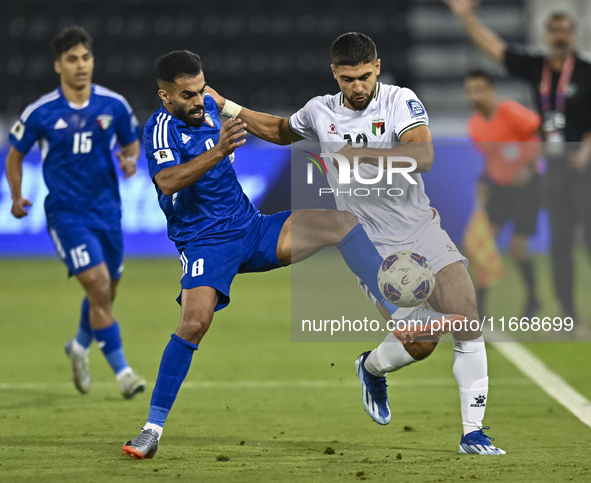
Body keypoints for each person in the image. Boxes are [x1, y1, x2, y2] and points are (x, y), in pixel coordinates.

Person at [121, 50, 461, 459]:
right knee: (194, 323)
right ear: (165, 97)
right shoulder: (160, 129)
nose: (198, 101)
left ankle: (400, 313)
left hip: (252, 229)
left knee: (342, 223)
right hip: (206, 243)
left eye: (200, 90)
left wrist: (230, 110)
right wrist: (217, 151)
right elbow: (167, 181)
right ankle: (151, 429)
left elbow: (276, 130)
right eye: (187, 95)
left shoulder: (211, 106)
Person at [208, 32, 505, 455]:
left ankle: (472, 433)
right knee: (421, 343)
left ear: (377, 68)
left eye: (365, 77)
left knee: (466, 314)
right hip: (370, 244)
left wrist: (363, 157)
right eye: (348, 79)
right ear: (335, 74)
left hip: (422, 229)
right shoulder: (318, 111)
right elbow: (277, 130)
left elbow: (423, 156)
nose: (358, 87)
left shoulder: (400, 101)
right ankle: (371, 368)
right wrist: (227, 106)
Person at [5, 26, 146, 399]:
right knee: (98, 287)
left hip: (108, 213)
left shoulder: (113, 105)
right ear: (58, 66)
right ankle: (124, 374)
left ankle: (79, 348)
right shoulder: (42, 112)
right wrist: (17, 197)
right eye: (72, 59)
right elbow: (14, 155)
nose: (81, 65)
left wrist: (130, 162)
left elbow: (132, 145)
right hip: (67, 215)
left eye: (85, 57)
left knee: (106, 294)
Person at [446, 0, 591, 322]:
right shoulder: (537, 68)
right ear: (547, 35)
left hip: (584, 166)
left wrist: (587, 146)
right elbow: (495, 49)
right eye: (554, 30)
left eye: (565, 30)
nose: (560, 36)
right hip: (554, 167)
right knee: (560, 243)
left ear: (574, 35)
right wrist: (466, 16)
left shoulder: (586, 71)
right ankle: (567, 313)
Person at [464, 69, 542, 318]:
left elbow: (539, 133)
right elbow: (492, 157)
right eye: (471, 90)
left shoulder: (510, 111)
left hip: (526, 187)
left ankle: (532, 301)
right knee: (482, 245)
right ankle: (481, 310)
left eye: (480, 89)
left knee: (517, 247)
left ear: (491, 90)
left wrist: (529, 168)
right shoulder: (475, 125)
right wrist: (484, 180)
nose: (476, 95)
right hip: (499, 188)